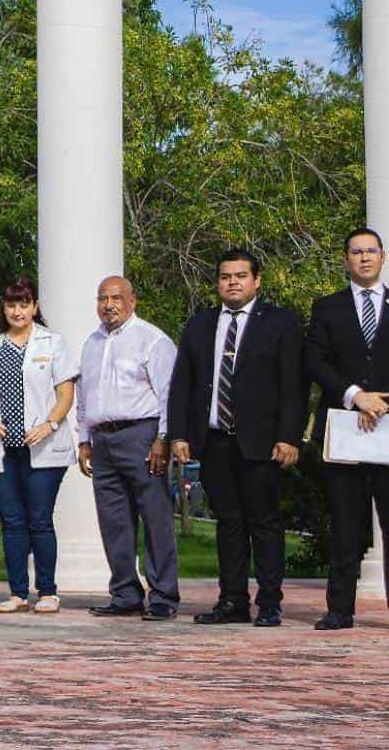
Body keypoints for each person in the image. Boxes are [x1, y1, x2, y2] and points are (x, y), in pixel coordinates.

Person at [169, 248, 305, 627]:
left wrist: (289, 436)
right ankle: (232, 600)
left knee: (263, 522)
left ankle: (270, 601)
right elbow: (183, 383)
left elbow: (293, 385)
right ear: (218, 282)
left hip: (261, 441)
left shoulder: (280, 323)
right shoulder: (200, 325)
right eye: (226, 276)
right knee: (228, 522)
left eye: (241, 276)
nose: (233, 282)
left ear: (256, 280)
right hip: (215, 439)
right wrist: (179, 433)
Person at [0, 276, 78, 614]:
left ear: (35, 307)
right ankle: (17, 592)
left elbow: (65, 393)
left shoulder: (53, 342)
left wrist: (48, 424)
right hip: (1, 445)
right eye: (11, 304)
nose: (17, 311)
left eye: (24, 304)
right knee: (12, 521)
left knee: (40, 520)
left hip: (43, 446)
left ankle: (47, 591)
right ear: (4, 308)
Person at [77, 276, 180, 621]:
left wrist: (163, 439)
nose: (109, 304)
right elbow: (84, 395)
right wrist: (83, 438)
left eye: (116, 298)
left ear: (132, 301)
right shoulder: (91, 342)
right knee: (114, 521)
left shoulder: (152, 340)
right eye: (103, 298)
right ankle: (125, 593)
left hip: (141, 434)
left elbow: (169, 394)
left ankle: (163, 594)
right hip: (102, 440)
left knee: (155, 517)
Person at [304, 226, 389, 630]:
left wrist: (381, 401)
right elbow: (315, 360)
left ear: (383, 257)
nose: (365, 257)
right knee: (344, 523)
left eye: (371, 251)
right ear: (346, 260)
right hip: (345, 428)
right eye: (356, 251)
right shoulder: (327, 308)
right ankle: (340, 609)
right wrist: (356, 394)